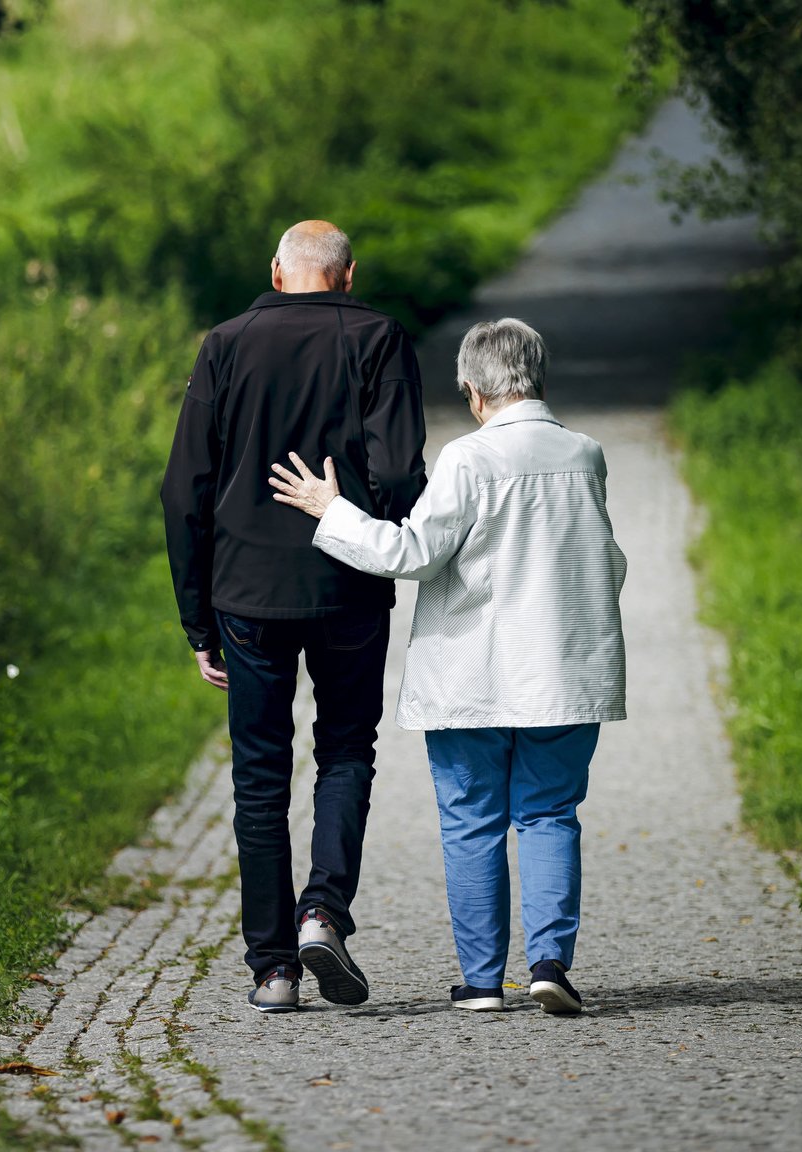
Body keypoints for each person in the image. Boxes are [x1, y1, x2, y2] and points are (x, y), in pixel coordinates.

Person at [268, 318, 626, 1015]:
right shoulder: (586, 454)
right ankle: (550, 963)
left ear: (472, 390)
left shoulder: (468, 460)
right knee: (551, 814)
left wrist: (330, 509)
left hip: (475, 676)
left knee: (472, 820)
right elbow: (607, 562)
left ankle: (484, 982)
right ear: (538, 376)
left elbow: (411, 553)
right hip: (565, 671)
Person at [161, 220, 428, 1013]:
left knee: (259, 778)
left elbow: (186, 491)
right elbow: (399, 471)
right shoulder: (380, 339)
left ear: (277, 275)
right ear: (348, 277)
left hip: (244, 593)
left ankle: (272, 968)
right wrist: (372, 525)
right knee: (346, 750)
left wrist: (196, 620)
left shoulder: (226, 343)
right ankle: (323, 912)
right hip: (346, 583)